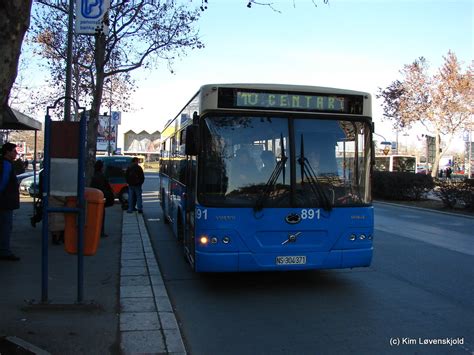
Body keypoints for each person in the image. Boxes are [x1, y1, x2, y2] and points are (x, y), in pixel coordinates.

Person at [0, 142, 21, 261]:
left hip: (5, 200)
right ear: (7, 152)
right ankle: (4, 251)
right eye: (14, 151)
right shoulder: (7, 164)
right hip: (6, 201)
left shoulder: (5, 163)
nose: (16, 153)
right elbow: (3, 182)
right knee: (6, 226)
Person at [90, 160, 114, 238]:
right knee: (100, 216)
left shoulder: (94, 176)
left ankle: (96, 231)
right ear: (101, 167)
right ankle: (100, 232)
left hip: (94, 198)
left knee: (95, 216)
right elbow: (105, 188)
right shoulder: (101, 176)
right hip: (100, 198)